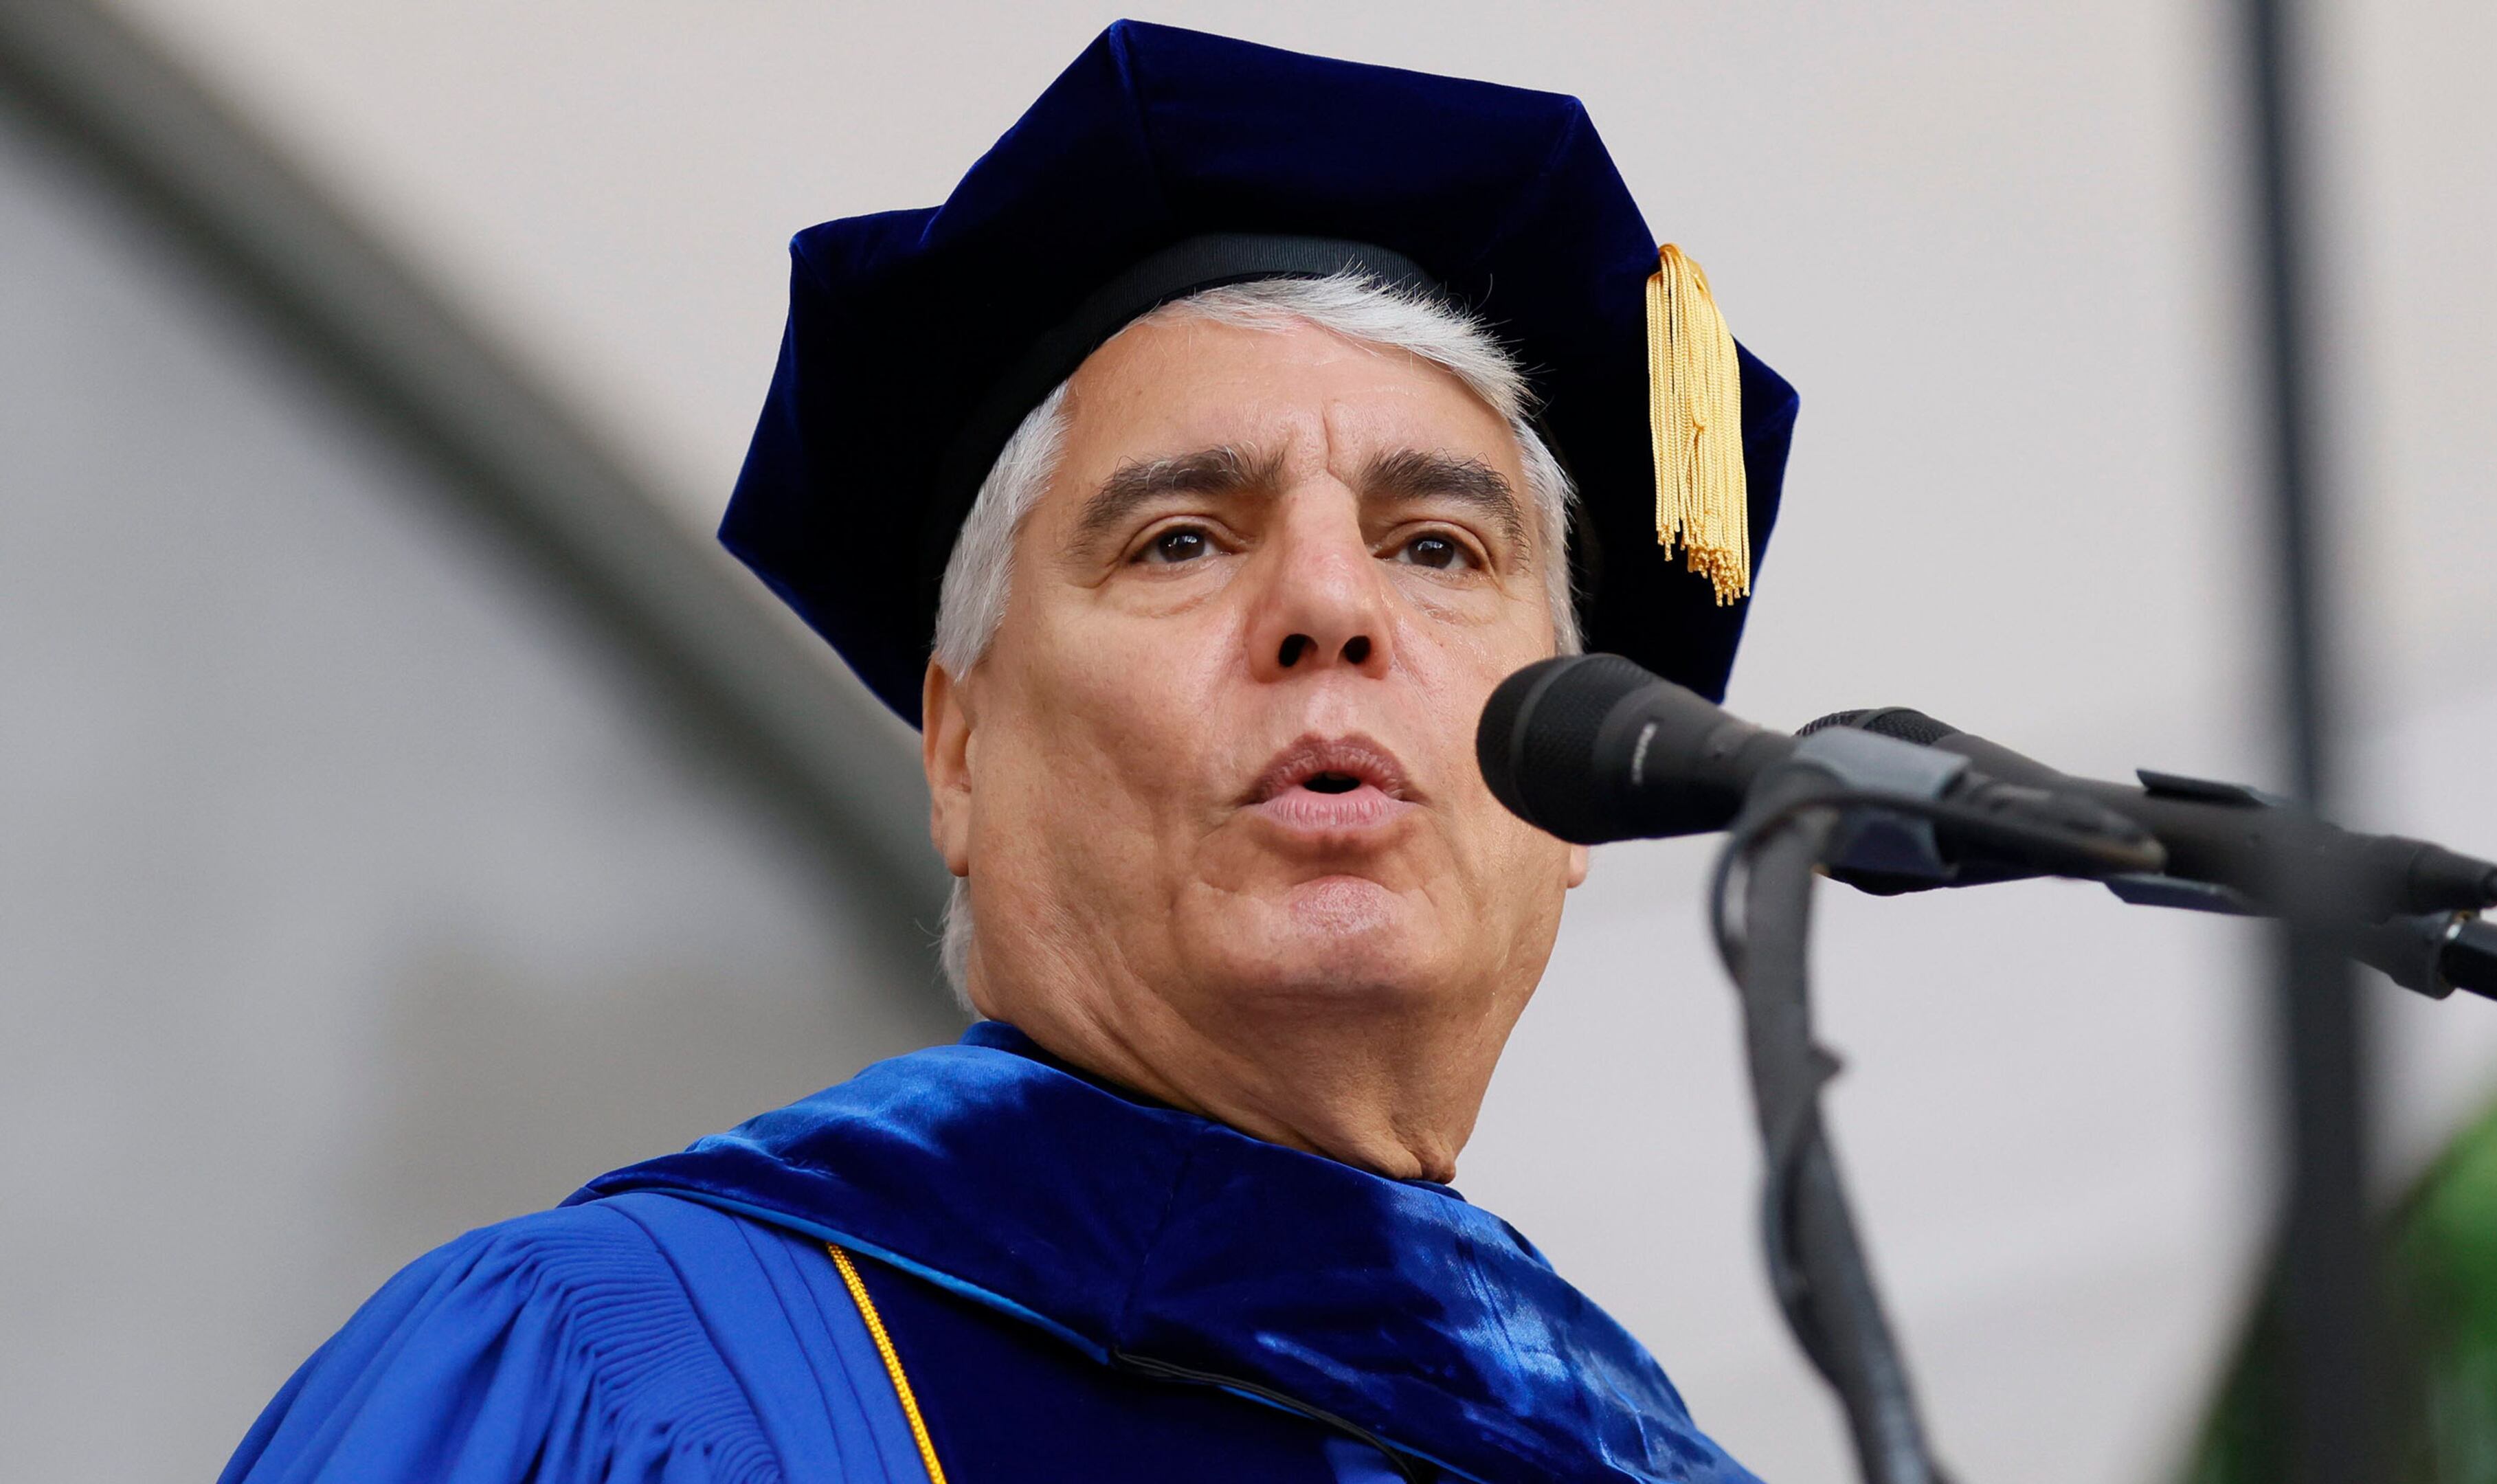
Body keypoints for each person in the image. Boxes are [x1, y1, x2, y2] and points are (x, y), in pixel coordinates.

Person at [222, 20, 1799, 1484]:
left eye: (1441, 548)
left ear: (1576, 779)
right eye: (1183, 539)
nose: (1333, 604)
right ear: (960, 750)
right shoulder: (617, 1374)